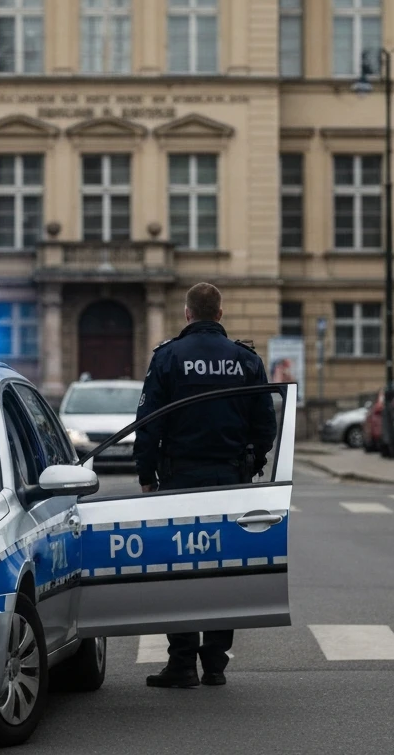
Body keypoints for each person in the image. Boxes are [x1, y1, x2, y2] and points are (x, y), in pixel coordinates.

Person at [133, 281, 278, 690]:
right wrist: (251, 464)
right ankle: (215, 662)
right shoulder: (245, 360)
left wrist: (147, 475)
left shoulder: (167, 357)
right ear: (220, 313)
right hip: (231, 480)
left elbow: (148, 423)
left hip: (180, 480)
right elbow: (265, 424)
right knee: (223, 568)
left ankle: (181, 663)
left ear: (187, 314)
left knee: (179, 567)